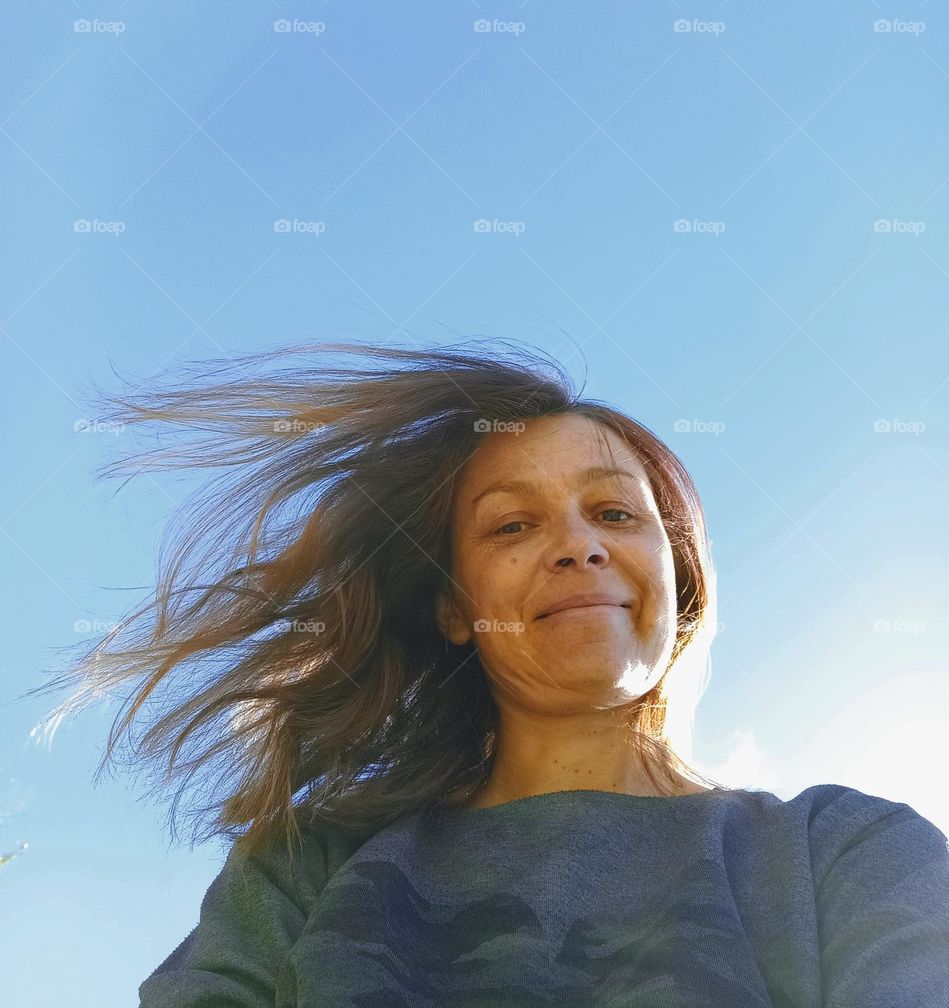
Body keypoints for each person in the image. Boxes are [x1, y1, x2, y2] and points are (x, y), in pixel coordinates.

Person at [36, 340, 949, 1005]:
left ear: (680, 576)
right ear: (450, 608)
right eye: (513, 525)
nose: (578, 547)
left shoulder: (842, 850)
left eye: (615, 514)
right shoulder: (310, 864)